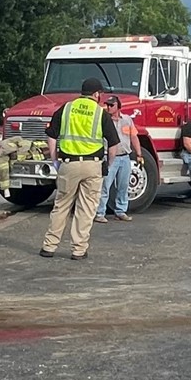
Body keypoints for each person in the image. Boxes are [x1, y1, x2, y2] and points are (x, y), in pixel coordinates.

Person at [40, 78, 120, 261]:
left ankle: (49, 246)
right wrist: (108, 164)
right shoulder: (101, 114)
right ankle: (78, 250)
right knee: (86, 208)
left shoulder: (66, 108)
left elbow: (51, 136)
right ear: (97, 94)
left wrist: (55, 160)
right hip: (93, 165)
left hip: (69, 163)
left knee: (61, 206)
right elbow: (114, 145)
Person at [95, 96, 141, 223]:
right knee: (105, 186)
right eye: (107, 105)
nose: (108, 107)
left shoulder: (127, 120)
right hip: (109, 157)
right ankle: (100, 212)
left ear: (118, 106)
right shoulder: (104, 120)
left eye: (111, 105)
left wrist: (139, 154)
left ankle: (120, 211)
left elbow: (134, 137)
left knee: (123, 186)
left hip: (125, 157)